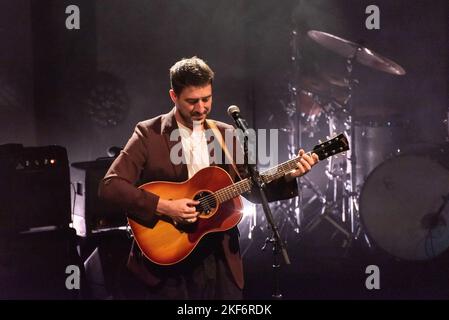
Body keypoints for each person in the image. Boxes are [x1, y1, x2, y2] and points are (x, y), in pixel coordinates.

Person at [98, 56, 319, 300]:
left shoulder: (225, 134)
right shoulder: (148, 133)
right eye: (192, 101)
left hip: (220, 261)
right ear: (174, 96)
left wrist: (288, 175)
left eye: (207, 99)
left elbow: (250, 188)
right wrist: (165, 207)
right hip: (167, 265)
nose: (201, 108)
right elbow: (110, 186)